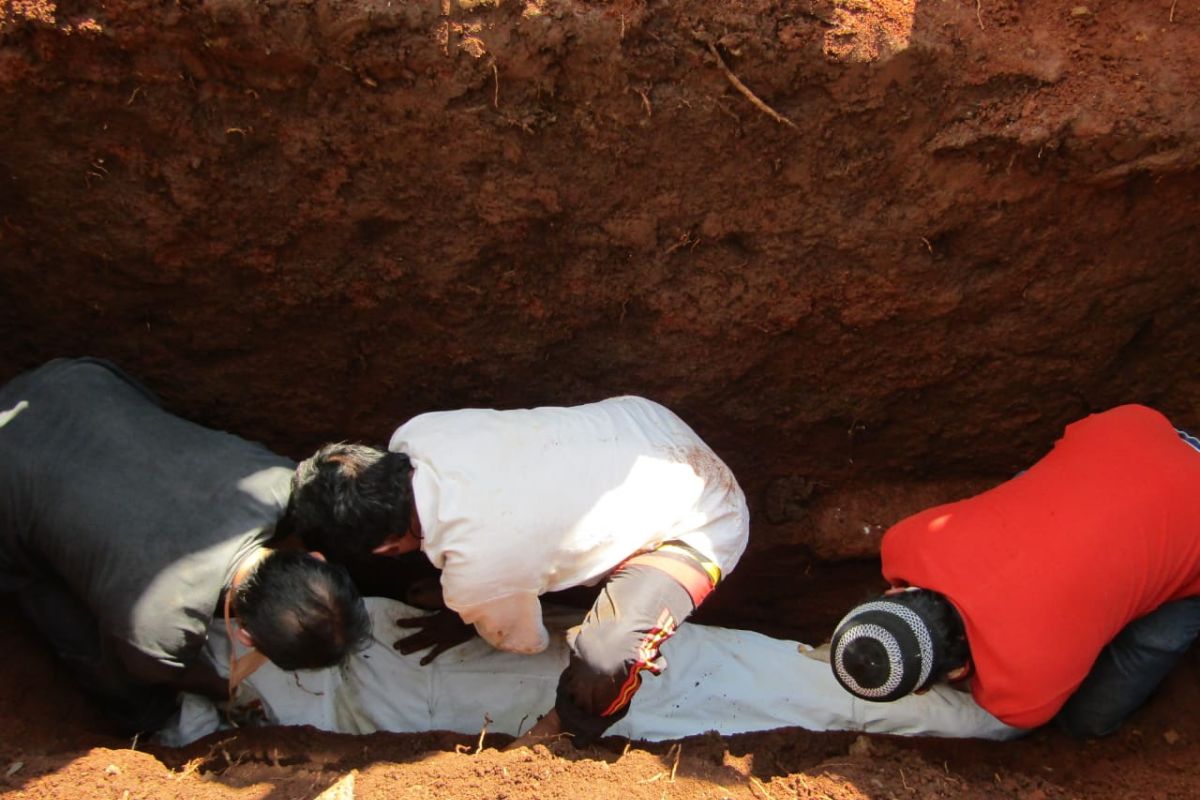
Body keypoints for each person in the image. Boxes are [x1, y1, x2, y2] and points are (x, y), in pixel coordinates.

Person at [281, 395, 749, 746]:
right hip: (645, 425)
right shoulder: (418, 434)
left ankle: (569, 733)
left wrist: (477, 610)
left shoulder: (476, 575)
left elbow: (527, 642)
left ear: (385, 547)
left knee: (604, 656)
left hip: (702, 516)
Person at [0, 358, 372, 734]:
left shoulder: (276, 481)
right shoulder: (156, 629)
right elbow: (162, 670)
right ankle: (142, 727)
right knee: (102, 666)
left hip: (73, 381)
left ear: (315, 557)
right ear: (244, 636)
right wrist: (224, 691)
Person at [161, 597, 1022, 746]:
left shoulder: (357, 627)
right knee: (804, 695)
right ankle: (1003, 713)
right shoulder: (341, 642)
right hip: (621, 692)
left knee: (809, 690)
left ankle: (1001, 712)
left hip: (622, 673)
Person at [828, 404, 1200, 738]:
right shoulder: (904, 542)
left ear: (956, 675)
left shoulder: (1022, 698)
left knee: (1087, 718)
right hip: (1130, 431)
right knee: (1032, 490)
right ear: (894, 594)